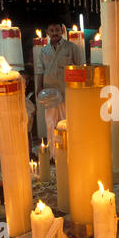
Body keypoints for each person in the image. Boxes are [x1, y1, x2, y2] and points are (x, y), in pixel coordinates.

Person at [35, 22, 82, 158]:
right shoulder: (44, 51)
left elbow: (79, 69)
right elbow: (40, 71)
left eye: (57, 30)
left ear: (62, 31)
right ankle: (53, 155)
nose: (54, 33)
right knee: (50, 123)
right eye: (51, 30)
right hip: (49, 92)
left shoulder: (71, 48)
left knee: (66, 121)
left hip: (66, 91)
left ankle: (69, 153)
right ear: (47, 32)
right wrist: (38, 88)